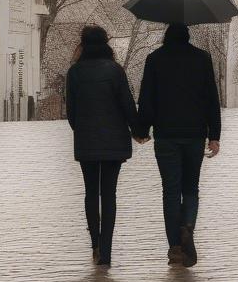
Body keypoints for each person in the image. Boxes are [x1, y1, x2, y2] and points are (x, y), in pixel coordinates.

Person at [137, 23, 221, 267]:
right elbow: (211, 99)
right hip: (195, 134)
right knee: (191, 187)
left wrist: (142, 129)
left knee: (170, 191)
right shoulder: (202, 58)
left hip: (166, 135)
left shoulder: (155, 59)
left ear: (166, 37)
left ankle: (175, 246)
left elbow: (147, 98)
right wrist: (214, 135)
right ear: (188, 36)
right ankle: (188, 227)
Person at [65, 25, 144, 267]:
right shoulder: (115, 70)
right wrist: (138, 130)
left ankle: (95, 244)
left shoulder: (75, 72)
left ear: (83, 44)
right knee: (109, 194)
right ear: (106, 43)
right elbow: (127, 104)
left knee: (91, 193)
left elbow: (71, 113)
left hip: (87, 141)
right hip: (113, 141)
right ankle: (107, 250)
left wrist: (83, 130)